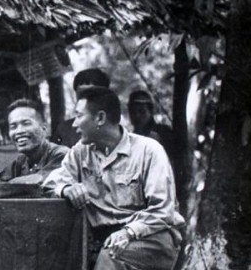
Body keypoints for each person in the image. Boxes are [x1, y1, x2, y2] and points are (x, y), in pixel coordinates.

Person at [43, 87, 185, 270]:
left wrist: (128, 232)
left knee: (109, 258)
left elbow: (163, 211)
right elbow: (50, 182)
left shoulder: (149, 150)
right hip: (107, 238)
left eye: (79, 116)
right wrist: (66, 188)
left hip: (153, 235)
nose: (74, 124)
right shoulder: (80, 152)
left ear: (100, 118)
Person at [0, 98, 69, 198]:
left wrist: (4, 187)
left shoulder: (61, 154)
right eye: (13, 126)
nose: (19, 131)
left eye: (26, 123)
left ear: (44, 128)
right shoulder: (21, 161)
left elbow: (41, 181)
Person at [52, 68, 110, 147]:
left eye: (91, 94)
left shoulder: (114, 125)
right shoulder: (64, 129)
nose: (86, 99)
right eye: (81, 95)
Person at [127, 90, 174, 160]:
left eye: (141, 111)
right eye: (133, 112)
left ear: (151, 111)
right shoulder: (129, 140)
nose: (137, 116)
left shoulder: (164, 133)